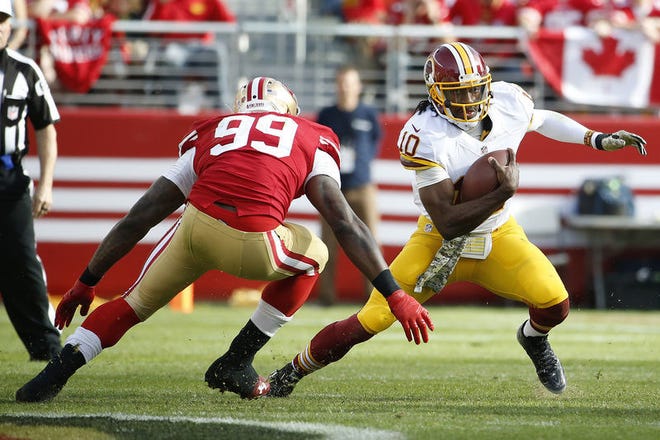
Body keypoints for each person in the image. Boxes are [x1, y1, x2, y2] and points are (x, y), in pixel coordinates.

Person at [15, 76, 434, 403]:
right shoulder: (310, 135)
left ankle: (51, 377)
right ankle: (237, 360)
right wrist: (394, 294)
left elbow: (140, 216)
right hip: (255, 239)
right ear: (288, 109)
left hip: (194, 230)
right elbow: (345, 222)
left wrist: (86, 280)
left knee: (131, 304)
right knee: (316, 252)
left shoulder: (213, 132)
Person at [267, 41, 648, 398]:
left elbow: (542, 118)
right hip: (438, 241)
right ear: (435, 93)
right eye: (458, 92)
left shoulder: (507, 101)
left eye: (475, 89)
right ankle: (292, 372)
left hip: (499, 234)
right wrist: (501, 192)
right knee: (372, 319)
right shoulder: (423, 134)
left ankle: (533, 338)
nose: (469, 100)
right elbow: (448, 220)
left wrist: (594, 139)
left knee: (555, 304)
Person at [0, 0, 61, 361]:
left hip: (9, 179)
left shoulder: (25, 70)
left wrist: (46, 182)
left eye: (3, 20)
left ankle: (47, 349)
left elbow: (46, 129)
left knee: (21, 262)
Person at [316, 66, 383, 306]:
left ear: (358, 87)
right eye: (342, 82)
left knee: (370, 244)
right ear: (337, 85)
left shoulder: (368, 114)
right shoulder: (327, 115)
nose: (345, 87)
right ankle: (326, 297)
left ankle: (375, 297)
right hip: (333, 189)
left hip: (362, 187)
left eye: (350, 82)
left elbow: (376, 140)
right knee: (326, 246)